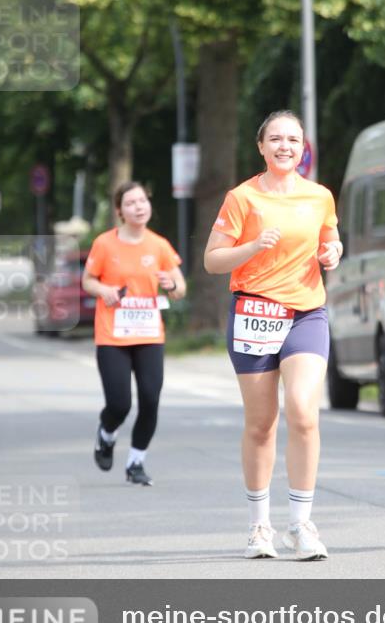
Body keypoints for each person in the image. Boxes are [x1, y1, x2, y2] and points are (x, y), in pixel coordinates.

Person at [204, 111, 342, 561]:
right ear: (261, 147)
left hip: (306, 313)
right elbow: (212, 261)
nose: (286, 146)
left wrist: (333, 252)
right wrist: (252, 246)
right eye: (276, 139)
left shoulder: (319, 196)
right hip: (255, 313)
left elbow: (331, 241)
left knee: (304, 412)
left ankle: (301, 525)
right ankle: (258, 526)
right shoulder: (241, 198)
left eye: (294, 139)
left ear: (304, 148)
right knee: (262, 424)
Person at [83, 181, 186, 486]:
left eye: (142, 201)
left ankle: (136, 463)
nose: (139, 207)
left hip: (149, 334)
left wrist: (171, 284)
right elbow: (88, 280)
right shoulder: (105, 244)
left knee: (151, 400)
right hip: (113, 335)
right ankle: (106, 433)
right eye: (130, 203)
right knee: (120, 404)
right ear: (119, 211)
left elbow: (180, 288)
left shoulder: (159, 245)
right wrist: (104, 290)